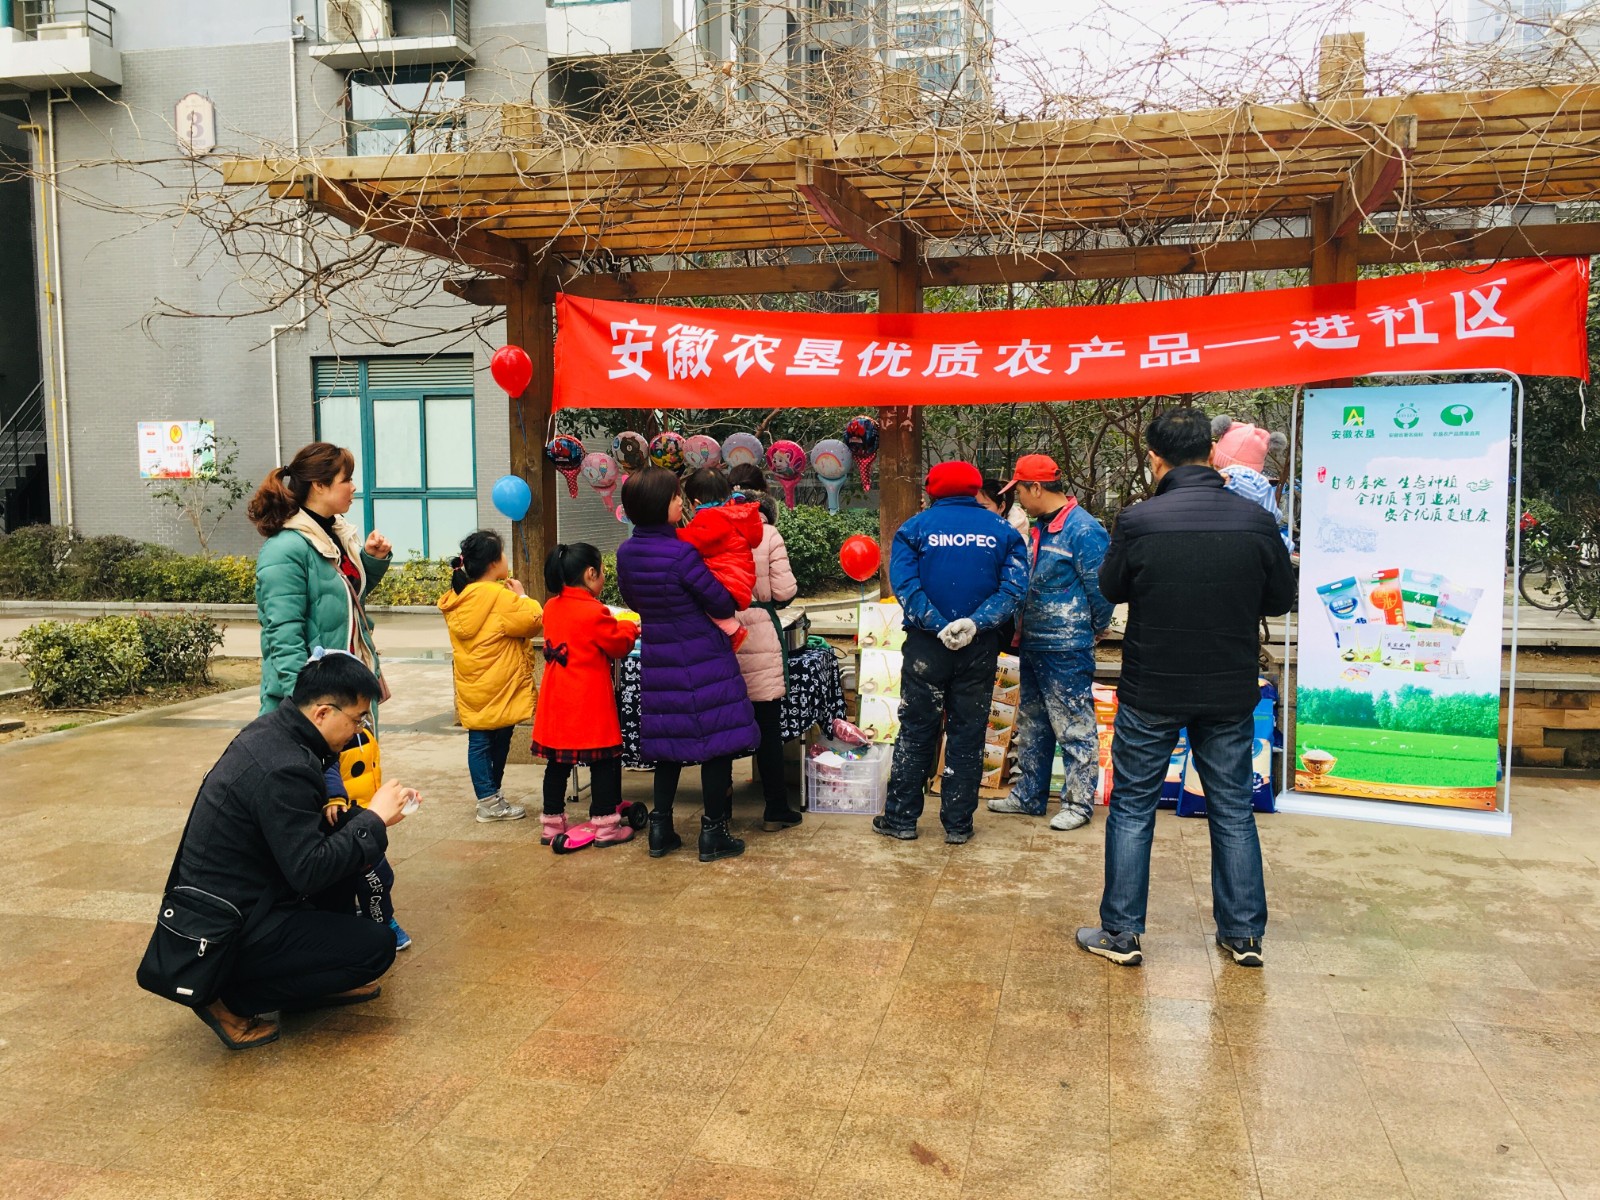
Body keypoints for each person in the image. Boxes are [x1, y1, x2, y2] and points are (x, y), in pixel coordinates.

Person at [1078, 408, 1295, 970]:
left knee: (1133, 808)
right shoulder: (1256, 520)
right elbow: (1279, 598)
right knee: (1232, 810)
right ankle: (1243, 935)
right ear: (1211, 452)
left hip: (1152, 688)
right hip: (1227, 688)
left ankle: (1122, 933)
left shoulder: (1138, 520)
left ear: (1155, 459)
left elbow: (1111, 587)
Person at [173, 650, 407, 1050]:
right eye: (357, 720)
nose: (359, 730)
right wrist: (373, 819)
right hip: (235, 922)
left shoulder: (277, 732)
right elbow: (309, 871)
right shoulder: (284, 766)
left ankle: (308, 981)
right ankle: (227, 997)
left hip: (255, 891)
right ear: (322, 713)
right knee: (376, 948)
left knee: (346, 834)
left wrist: (365, 821)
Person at [872, 460, 1029, 844]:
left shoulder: (914, 529)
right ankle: (958, 824)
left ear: (932, 490)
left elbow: (905, 585)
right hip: (979, 645)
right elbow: (1013, 590)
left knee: (916, 730)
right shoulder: (1003, 532)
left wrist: (936, 623)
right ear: (974, 489)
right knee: (968, 733)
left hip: (927, 646)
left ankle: (901, 819)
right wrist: (975, 622)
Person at [616, 467, 759, 862]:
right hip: (702, 657)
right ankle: (713, 834)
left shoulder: (626, 553)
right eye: (675, 496)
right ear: (659, 505)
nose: (682, 502)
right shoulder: (682, 553)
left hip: (659, 657)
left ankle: (660, 830)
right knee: (717, 745)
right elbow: (720, 602)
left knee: (668, 745)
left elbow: (632, 600)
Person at [987, 454, 1114, 832]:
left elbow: (1102, 591)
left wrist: (1092, 629)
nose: (1019, 500)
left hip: (1066, 647)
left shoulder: (1084, 530)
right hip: (1033, 641)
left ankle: (1078, 802)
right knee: (1033, 725)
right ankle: (1028, 795)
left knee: (1074, 726)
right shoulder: (1040, 528)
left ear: (1037, 488)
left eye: (1021, 492)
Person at [249, 442, 393, 715]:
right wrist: (308, 706)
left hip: (345, 691)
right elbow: (284, 637)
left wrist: (371, 561)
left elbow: (343, 599)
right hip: (317, 705)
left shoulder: (334, 534)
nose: (353, 487)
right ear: (319, 485)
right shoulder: (285, 548)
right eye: (346, 479)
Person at [532, 543, 640, 848]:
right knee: (603, 761)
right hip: (588, 700)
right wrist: (630, 626)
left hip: (557, 699)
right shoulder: (595, 612)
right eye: (602, 572)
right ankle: (606, 826)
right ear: (590, 573)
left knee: (557, 763)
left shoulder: (552, 607)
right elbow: (618, 645)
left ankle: (552, 824)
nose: (603, 577)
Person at [438, 529, 544, 823]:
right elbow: (533, 621)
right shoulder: (500, 597)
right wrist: (523, 596)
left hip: (473, 683)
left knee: (480, 740)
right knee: (498, 739)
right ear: (494, 562)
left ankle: (490, 798)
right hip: (501, 683)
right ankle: (490, 800)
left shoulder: (458, 597)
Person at [727, 465, 803, 831]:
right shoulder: (769, 533)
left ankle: (719, 811)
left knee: (722, 724)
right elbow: (785, 591)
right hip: (760, 633)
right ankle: (775, 809)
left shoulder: (713, 529)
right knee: (768, 727)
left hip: (721, 633)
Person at [319, 721, 409, 951]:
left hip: (366, 815)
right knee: (370, 877)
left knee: (376, 877)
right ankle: (378, 923)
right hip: (343, 818)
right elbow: (328, 765)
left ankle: (380, 919)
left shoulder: (364, 729)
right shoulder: (331, 735)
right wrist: (335, 796)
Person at [678, 467, 763, 653]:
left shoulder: (711, 517)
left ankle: (733, 631)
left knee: (700, 597)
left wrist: (674, 535)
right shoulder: (735, 512)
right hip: (741, 576)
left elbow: (698, 540)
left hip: (728, 579)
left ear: (696, 503)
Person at [1211, 416, 1294, 551]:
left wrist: (1232, 481)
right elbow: (1274, 514)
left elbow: (1249, 490)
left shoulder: (1235, 477)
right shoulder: (1262, 482)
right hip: (1266, 537)